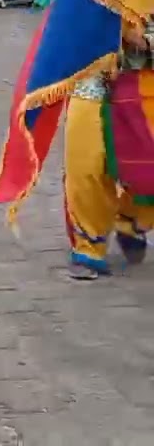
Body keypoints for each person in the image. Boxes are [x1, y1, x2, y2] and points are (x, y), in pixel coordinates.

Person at [64, 18, 154, 280]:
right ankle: (88, 245)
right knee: (86, 165)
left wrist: (143, 40)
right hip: (90, 81)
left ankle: (132, 220)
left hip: (146, 83)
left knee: (149, 169)